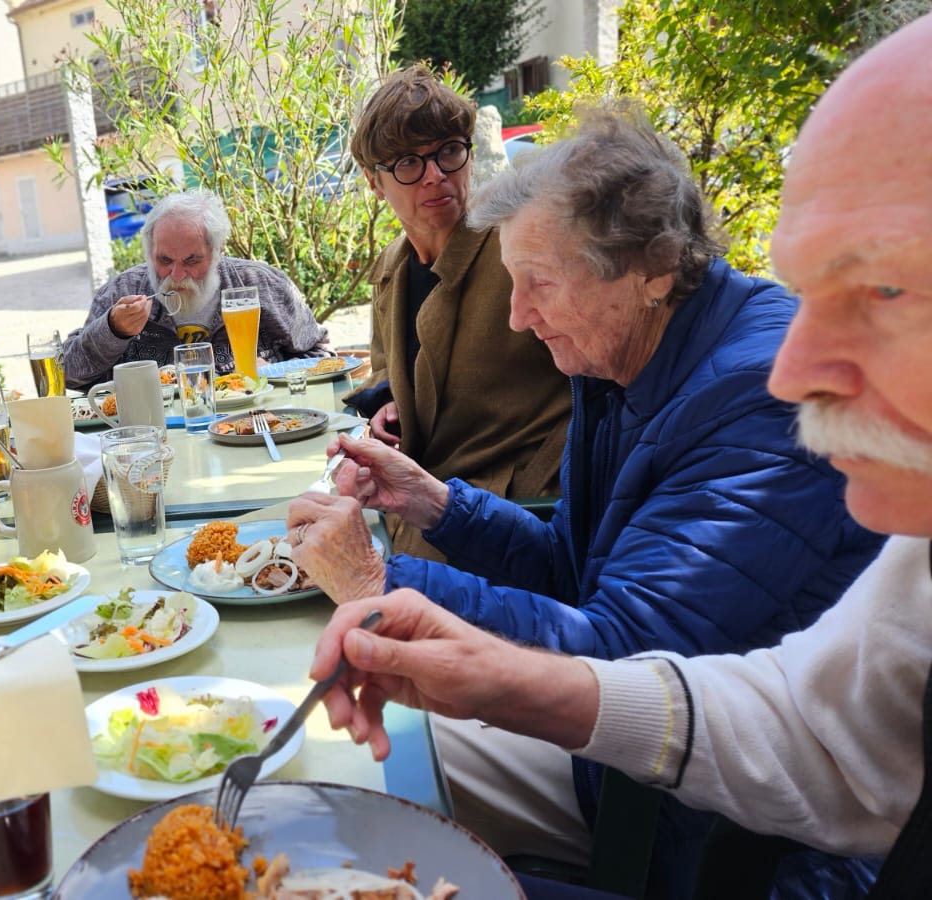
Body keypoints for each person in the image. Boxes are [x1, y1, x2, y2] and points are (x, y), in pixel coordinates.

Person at [305, 15, 932, 895]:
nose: (517, 315)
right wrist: (438, 504)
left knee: (346, 796)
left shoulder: (748, 398)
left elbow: (623, 648)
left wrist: (385, 588)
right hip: (656, 768)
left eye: (883, 289)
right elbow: (580, 568)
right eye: (807, 286)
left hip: (694, 830)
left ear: (653, 267)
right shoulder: (627, 361)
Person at [345, 65, 570, 562]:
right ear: (374, 181)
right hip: (415, 505)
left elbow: (602, 375)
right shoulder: (392, 268)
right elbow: (387, 360)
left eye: (449, 150)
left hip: (518, 514)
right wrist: (390, 399)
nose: (436, 175)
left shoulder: (518, 251)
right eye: (408, 162)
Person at [60, 189, 330, 389]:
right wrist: (112, 330)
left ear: (217, 250)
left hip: (253, 426)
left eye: (192, 260)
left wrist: (277, 372)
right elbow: (68, 374)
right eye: (164, 260)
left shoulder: (259, 284)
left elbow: (323, 358)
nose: (176, 275)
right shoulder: (123, 290)